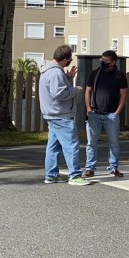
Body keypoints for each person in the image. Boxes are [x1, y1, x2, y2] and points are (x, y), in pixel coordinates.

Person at [38, 45, 91, 186]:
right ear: (65, 59)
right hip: (61, 114)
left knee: (53, 147)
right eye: (70, 60)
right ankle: (74, 176)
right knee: (71, 145)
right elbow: (59, 93)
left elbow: (55, 88)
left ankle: (51, 175)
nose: (70, 62)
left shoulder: (47, 70)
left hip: (51, 114)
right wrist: (75, 90)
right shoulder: (56, 72)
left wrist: (68, 78)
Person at [83, 50, 128, 178]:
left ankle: (113, 168)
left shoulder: (119, 76)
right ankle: (90, 168)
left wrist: (117, 112)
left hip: (111, 115)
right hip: (94, 113)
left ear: (113, 62)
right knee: (91, 143)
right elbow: (88, 91)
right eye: (102, 60)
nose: (103, 62)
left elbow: (123, 94)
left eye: (106, 61)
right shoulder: (95, 74)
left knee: (114, 143)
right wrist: (88, 109)